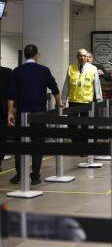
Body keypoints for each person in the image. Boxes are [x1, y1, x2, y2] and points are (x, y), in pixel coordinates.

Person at [7, 44, 63, 184]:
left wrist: (10, 113)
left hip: (22, 113)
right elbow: (54, 88)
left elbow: (11, 95)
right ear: (37, 55)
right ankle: (35, 175)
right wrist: (59, 103)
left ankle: (19, 174)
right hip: (39, 113)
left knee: (19, 143)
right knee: (37, 143)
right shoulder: (44, 70)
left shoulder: (17, 71)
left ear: (25, 55)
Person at [61, 49, 102, 142]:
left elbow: (97, 85)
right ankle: (76, 143)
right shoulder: (71, 68)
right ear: (77, 57)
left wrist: (99, 100)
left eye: (84, 56)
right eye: (80, 55)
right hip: (73, 101)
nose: (82, 57)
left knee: (85, 125)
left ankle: (84, 146)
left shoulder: (93, 68)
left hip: (86, 101)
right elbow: (66, 85)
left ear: (87, 57)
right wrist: (63, 100)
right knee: (71, 124)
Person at [0, 65, 12, 171]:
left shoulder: (8, 72)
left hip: (3, 111)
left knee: (2, 137)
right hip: (4, 111)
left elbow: (12, 92)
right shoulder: (8, 72)